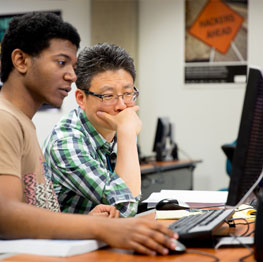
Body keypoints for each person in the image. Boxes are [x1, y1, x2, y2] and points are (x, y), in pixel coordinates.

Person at [0, 11, 178, 256]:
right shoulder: (4, 119)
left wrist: (83, 220)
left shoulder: (22, 122)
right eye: (62, 63)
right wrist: (97, 227)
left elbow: (37, 210)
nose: (72, 76)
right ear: (21, 61)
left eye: (72, 66)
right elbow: (5, 215)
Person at [43, 43, 141, 217]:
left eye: (127, 93)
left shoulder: (115, 126)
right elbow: (126, 207)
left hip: (100, 235)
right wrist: (127, 133)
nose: (121, 106)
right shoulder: (66, 142)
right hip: (63, 241)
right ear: (81, 98)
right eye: (108, 96)